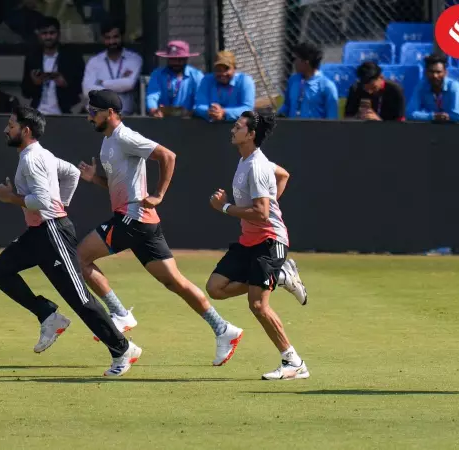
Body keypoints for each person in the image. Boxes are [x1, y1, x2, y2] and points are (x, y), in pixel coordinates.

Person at [77, 89, 244, 366]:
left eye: (93, 112)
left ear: (110, 113)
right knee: (174, 281)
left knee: (78, 257)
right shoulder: (108, 142)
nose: (89, 116)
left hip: (132, 218)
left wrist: (159, 195)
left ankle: (120, 313)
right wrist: (96, 178)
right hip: (141, 223)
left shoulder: (125, 137)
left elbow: (168, 156)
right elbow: (119, 185)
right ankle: (224, 329)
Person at [0, 105, 142, 377]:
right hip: (39, 233)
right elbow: (72, 173)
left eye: (11, 125)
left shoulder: (32, 159)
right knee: (1, 271)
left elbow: (42, 201)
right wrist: (63, 204)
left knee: (80, 298)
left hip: (52, 234)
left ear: (25, 131)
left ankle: (122, 349)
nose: (6, 129)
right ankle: (48, 315)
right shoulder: (38, 154)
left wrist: (10, 198)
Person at [206, 110, 310, 380]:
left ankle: (293, 361)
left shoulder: (256, 166)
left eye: (238, 127)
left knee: (258, 305)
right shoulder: (248, 160)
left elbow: (263, 213)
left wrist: (225, 207)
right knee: (215, 288)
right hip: (249, 240)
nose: (233, 130)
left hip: (270, 240)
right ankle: (282, 276)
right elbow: (284, 175)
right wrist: (273, 201)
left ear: (251, 134)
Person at [21, 16, 84, 115]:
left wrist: (65, 83)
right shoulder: (32, 58)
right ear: (39, 35)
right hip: (38, 112)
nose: (48, 37)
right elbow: (25, 92)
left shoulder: (71, 56)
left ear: (58, 34)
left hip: (65, 112)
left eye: (52, 33)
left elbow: (82, 86)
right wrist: (34, 83)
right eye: (44, 33)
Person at [81, 20, 142, 115]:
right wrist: (120, 85)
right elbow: (87, 91)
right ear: (102, 39)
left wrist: (102, 83)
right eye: (107, 38)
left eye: (115, 37)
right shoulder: (94, 62)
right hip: (99, 117)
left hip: (125, 117)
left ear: (122, 37)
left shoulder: (134, 59)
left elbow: (129, 84)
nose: (112, 41)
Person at [278, 42, 338, 119]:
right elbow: (287, 105)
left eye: (296, 59)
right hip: (292, 129)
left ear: (306, 62)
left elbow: (332, 119)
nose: (294, 62)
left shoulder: (327, 87)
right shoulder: (293, 80)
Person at [145, 40, 204, 118]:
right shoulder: (157, 74)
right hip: (162, 120)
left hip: (190, 122)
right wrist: (153, 110)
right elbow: (152, 95)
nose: (176, 63)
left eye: (180, 60)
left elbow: (201, 100)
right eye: (172, 59)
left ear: (186, 59)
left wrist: (193, 112)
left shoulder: (197, 75)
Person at [194, 51, 255, 122]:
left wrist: (224, 112)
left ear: (234, 69)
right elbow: (199, 105)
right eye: (218, 70)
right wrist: (209, 111)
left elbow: (248, 108)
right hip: (210, 127)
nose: (223, 74)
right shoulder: (207, 80)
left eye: (226, 69)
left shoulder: (245, 81)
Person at [406, 54, 459, 123]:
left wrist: (441, 117)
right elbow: (410, 113)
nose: (435, 76)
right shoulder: (421, 86)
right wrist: (433, 116)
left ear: (445, 73)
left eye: (438, 72)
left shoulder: (454, 86)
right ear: (425, 73)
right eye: (431, 72)